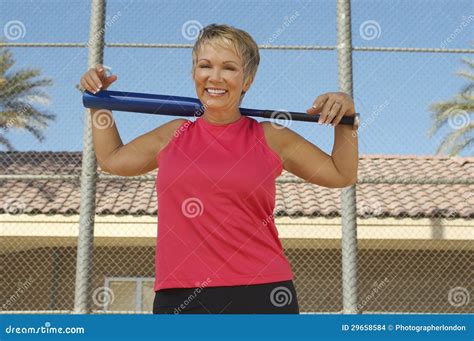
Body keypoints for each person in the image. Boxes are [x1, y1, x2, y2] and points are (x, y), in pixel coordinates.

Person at [79, 23, 358, 314]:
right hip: (179, 295)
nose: (215, 77)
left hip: (262, 292)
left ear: (247, 79)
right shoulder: (173, 133)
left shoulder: (272, 136)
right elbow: (111, 159)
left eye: (229, 68)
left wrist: (346, 119)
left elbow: (342, 173)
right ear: (194, 73)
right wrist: (100, 102)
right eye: (205, 66)